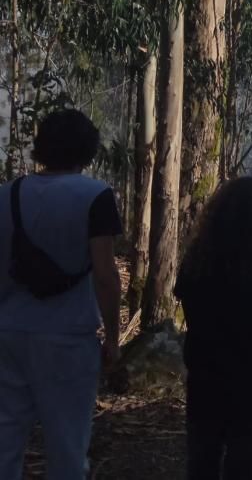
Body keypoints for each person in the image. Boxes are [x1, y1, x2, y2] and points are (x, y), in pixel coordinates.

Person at [0, 108, 123, 479]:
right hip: (68, 336)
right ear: (88, 152)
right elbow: (105, 275)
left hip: (9, 331)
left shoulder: (7, 194)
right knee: (68, 444)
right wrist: (113, 339)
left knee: (5, 439)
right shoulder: (96, 195)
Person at [174, 177, 252, 479]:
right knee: (243, 468)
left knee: (202, 465)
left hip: (205, 380)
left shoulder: (195, 263)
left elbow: (188, 308)